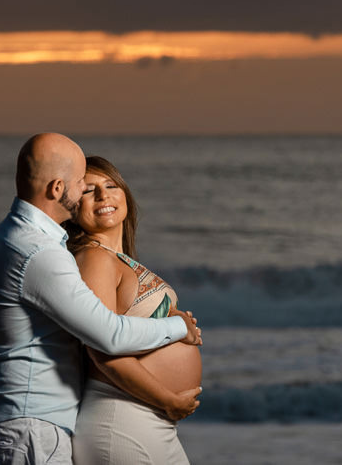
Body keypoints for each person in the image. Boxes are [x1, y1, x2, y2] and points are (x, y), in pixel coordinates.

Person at [0, 133, 202, 465]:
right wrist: (176, 328)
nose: (87, 193)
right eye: (83, 183)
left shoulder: (14, 237)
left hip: (31, 426)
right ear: (57, 189)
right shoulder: (39, 252)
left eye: (109, 185)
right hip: (33, 429)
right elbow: (107, 338)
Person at [68, 156, 203, 464]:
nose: (103, 195)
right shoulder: (94, 259)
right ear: (73, 210)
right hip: (122, 416)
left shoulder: (116, 259)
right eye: (89, 190)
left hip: (146, 421)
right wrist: (168, 400)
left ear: (125, 194)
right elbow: (101, 348)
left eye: (111, 185)